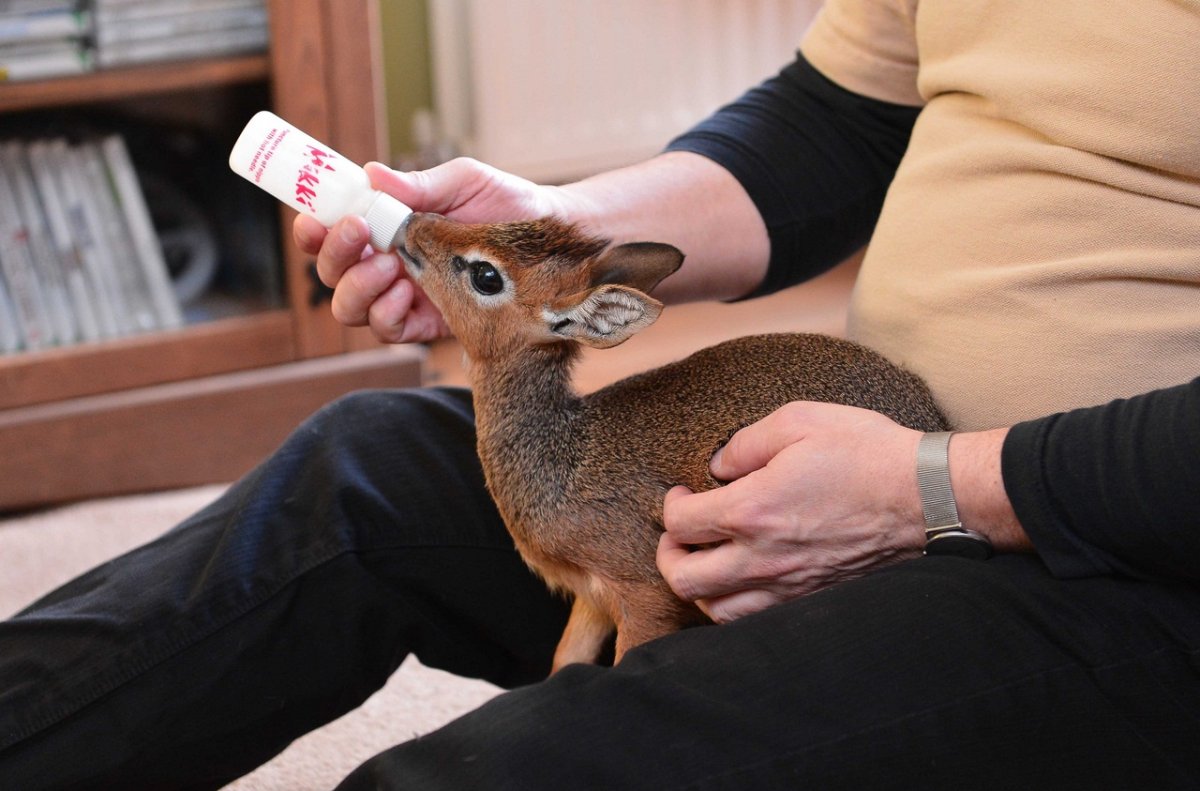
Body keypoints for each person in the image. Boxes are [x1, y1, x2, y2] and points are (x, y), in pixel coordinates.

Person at [3, 0, 1198, 787]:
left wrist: (932, 486)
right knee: (356, 472)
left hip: (1117, 552)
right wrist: (546, 238)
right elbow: (835, 127)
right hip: (826, 472)